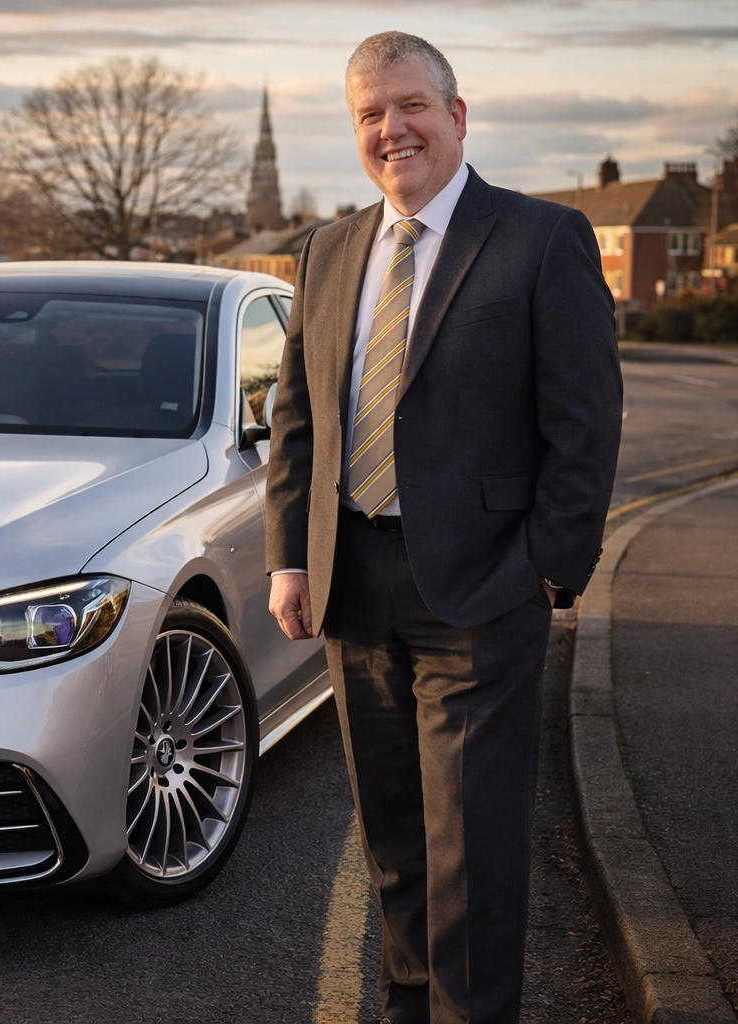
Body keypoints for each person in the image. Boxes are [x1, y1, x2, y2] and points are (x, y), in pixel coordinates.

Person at [263, 31, 622, 1024]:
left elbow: (585, 421)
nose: (392, 129)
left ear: (457, 116)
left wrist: (551, 565)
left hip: (480, 588)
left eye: (410, 105)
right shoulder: (330, 251)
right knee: (396, 842)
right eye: (370, 115)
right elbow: (301, 417)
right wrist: (291, 555)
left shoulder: (541, 238)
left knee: (472, 848)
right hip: (352, 581)